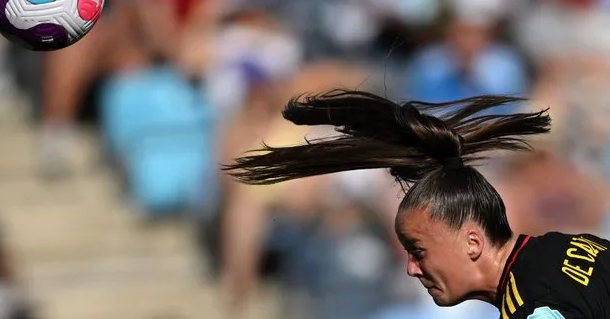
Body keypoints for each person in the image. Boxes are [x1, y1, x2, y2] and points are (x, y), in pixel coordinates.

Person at [223, 90, 610, 318]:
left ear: (472, 243)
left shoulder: (531, 303)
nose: (411, 268)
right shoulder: (562, 246)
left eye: (419, 251)